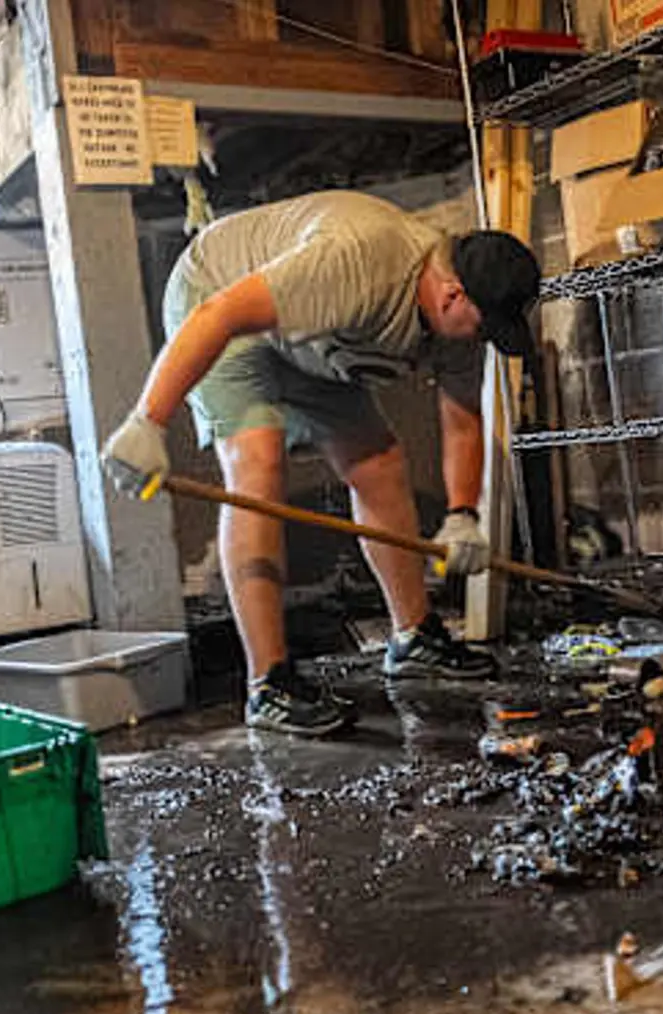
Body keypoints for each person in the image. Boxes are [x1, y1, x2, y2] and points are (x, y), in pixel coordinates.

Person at [102, 189, 540, 737]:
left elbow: (460, 416)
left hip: (312, 343)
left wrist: (461, 515)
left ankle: (413, 638)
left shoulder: (457, 318)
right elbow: (221, 314)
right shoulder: (358, 265)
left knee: (379, 461)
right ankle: (268, 684)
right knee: (258, 468)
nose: (483, 339)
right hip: (218, 299)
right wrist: (149, 421)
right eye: (483, 327)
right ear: (452, 297)